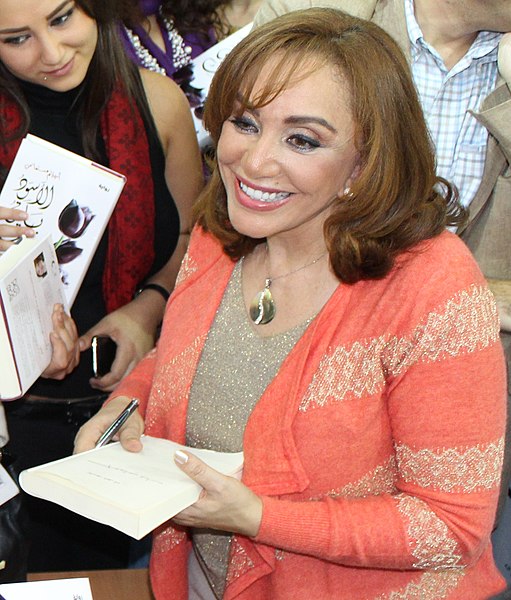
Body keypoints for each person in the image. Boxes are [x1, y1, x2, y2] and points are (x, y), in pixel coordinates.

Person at [75, 8, 508, 599]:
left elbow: (450, 526)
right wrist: (124, 410)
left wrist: (256, 517)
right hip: (203, 578)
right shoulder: (220, 231)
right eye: (246, 123)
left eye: (302, 139)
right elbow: (186, 358)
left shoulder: (432, 286)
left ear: (363, 163)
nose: (254, 163)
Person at [253, 0, 511, 528]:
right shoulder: (312, 16)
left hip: (466, 396)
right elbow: (251, 193)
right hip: (296, 376)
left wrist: (462, 300)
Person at [0, 0, 203, 571]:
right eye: (16, 39)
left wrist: (147, 307)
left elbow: (194, 235)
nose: (52, 53)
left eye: (63, 18)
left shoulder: (158, 103)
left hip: (133, 420)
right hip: (15, 430)